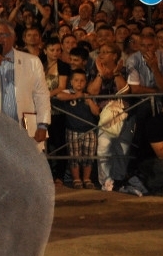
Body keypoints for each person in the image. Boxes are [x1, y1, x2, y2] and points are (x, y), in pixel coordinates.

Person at [87, 41, 132, 191]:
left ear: (115, 56)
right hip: (105, 116)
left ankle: (118, 180)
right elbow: (92, 91)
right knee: (103, 148)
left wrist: (116, 73)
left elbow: (124, 91)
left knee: (122, 149)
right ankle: (105, 182)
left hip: (124, 114)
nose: (101, 55)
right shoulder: (95, 70)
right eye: (100, 52)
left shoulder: (124, 70)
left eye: (106, 52)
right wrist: (100, 74)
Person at [55, 70, 100, 189]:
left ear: (86, 82)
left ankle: (86, 178)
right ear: (71, 82)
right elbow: (59, 96)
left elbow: (96, 112)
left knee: (88, 156)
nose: (79, 83)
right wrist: (75, 96)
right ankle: (76, 179)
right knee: (74, 156)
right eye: (76, 80)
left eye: (82, 81)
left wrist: (89, 101)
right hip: (73, 129)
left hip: (89, 130)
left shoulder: (89, 95)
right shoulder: (68, 93)